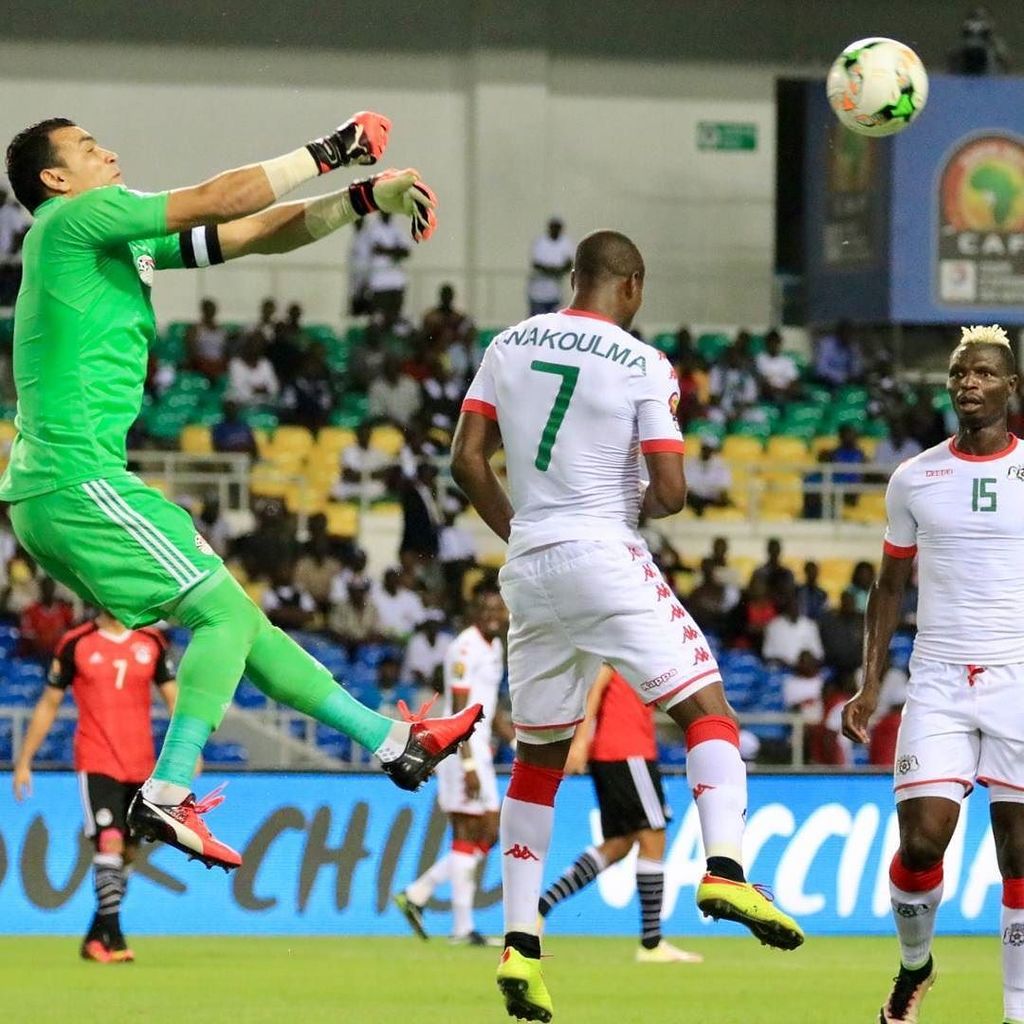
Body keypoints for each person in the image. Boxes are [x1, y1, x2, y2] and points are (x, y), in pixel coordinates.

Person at [1, 113, 477, 872]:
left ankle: (393, 742)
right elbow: (219, 198)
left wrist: (359, 200)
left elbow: (253, 231)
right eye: (89, 149)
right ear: (55, 179)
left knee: (241, 624)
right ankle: (167, 790)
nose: (110, 152)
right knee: (221, 612)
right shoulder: (72, 220)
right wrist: (331, 152)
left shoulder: (114, 243)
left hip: (62, 488)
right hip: (76, 480)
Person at [451, 229, 803, 1020]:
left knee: (538, 760)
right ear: (632, 285)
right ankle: (725, 869)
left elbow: (467, 460)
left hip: (529, 570)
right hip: (602, 552)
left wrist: (526, 532)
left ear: (575, 278)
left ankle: (520, 943)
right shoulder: (643, 362)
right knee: (708, 709)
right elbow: (671, 491)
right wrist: (610, 512)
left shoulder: (508, 344)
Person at [842, 324, 1024, 1024]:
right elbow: (888, 586)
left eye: (984, 373)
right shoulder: (915, 477)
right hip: (939, 682)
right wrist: (869, 683)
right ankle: (915, 966)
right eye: (959, 373)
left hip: (1017, 679)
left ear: (1011, 387)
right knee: (920, 842)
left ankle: (1015, 1010)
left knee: (1018, 856)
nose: (968, 383)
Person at [13, 611, 177, 962]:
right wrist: (25, 759)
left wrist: (188, 751)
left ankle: (95, 936)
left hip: (141, 763)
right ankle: (115, 938)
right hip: (97, 759)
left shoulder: (150, 641)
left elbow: (174, 699)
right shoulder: (76, 642)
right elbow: (49, 703)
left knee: (128, 853)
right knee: (109, 841)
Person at [539, 666, 703, 964]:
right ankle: (652, 943)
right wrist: (580, 742)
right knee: (653, 835)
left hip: (614, 753)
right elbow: (594, 689)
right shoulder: (613, 652)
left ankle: (540, 908)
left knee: (619, 843)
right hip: (627, 750)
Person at [394, 583, 508, 945]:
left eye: (499, 609)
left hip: (481, 749)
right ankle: (461, 927)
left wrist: (514, 740)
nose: (494, 616)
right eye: (487, 610)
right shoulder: (463, 648)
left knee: (490, 831)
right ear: (474, 613)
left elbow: (488, 705)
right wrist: (469, 765)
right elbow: (459, 712)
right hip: (460, 751)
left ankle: (418, 893)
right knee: (469, 831)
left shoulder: (495, 647)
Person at [364, 211, 411, 322]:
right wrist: (396, 250)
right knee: (379, 318)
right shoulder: (373, 229)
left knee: (395, 316)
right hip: (379, 282)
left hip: (397, 281)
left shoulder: (397, 229)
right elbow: (376, 249)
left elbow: (406, 252)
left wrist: (385, 250)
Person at [527, 217, 573, 316]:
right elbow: (537, 264)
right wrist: (555, 270)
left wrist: (552, 269)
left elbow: (569, 264)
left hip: (556, 294)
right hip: (537, 294)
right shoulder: (540, 242)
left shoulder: (565, 243)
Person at [227, 333, 280, 408]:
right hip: (241, 406)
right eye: (252, 345)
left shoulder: (265, 363)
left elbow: (274, 388)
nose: (255, 349)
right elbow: (239, 390)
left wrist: (254, 389)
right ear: (246, 346)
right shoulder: (236, 364)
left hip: (265, 405)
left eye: (259, 346)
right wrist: (262, 389)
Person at [184, 297, 231, 381]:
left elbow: (226, 350)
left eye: (212, 310)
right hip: (202, 362)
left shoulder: (222, 330)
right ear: (203, 311)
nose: (210, 312)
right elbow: (191, 350)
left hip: (219, 362)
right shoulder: (195, 329)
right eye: (208, 310)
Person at [684, 437, 732, 515]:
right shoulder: (690, 463)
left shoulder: (721, 465)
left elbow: (723, 486)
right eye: (705, 448)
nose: (707, 451)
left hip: (713, 498)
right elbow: (688, 486)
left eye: (710, 449)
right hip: (695, 498)